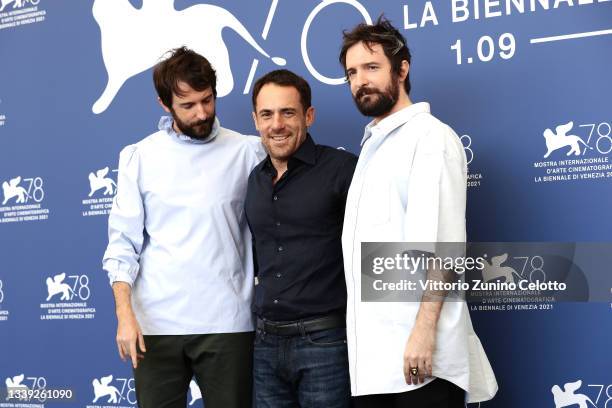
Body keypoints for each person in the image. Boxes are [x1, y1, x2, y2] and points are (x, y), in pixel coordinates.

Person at [338, 17, 498, 407]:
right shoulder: (374, 146)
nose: (361, 81)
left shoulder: (430, 138)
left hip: (421, 359)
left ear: (402, 69)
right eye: (352, 73)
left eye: (372, 67)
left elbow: (443, 247)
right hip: (376, 366)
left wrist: (424, 332)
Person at [102, 47, 265, 408]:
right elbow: (122, 243)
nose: (202, 113)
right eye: (188, 105)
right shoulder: (139, 157)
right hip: (156, 326)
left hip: (228, 322)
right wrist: (124, 315)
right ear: (165, 105)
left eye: (207, 100)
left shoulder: (249, 152)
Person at [245, 69, 357, 408]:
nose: (276, 124)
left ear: (308, 116)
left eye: (287, 112)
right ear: (256, 121)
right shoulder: (254, 180)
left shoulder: (342, 169)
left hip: (324, 342)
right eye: (267, 114)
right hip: (265, 344)